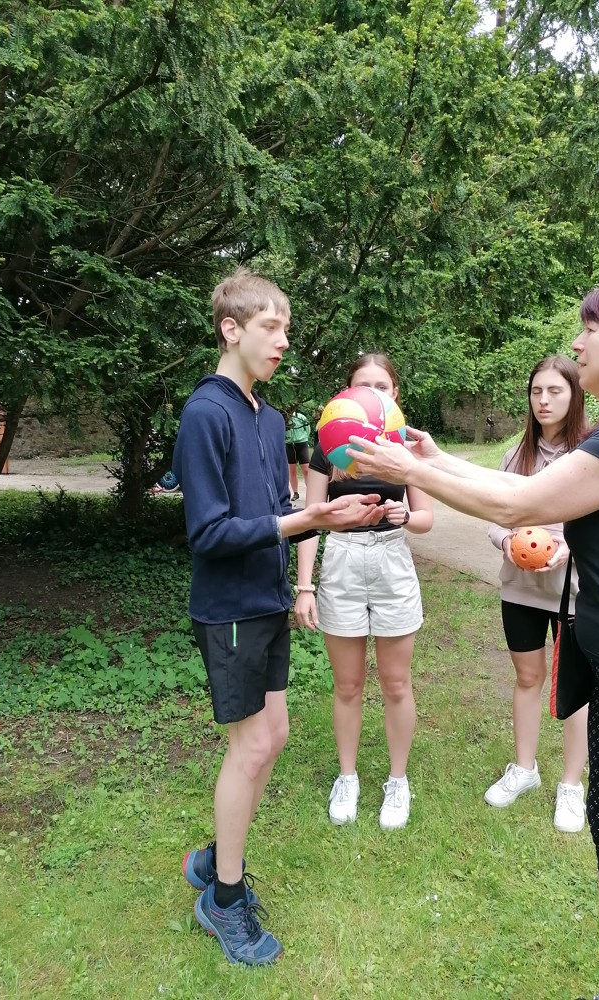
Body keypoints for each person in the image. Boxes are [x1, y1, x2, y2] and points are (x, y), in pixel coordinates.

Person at [347, 277, 599, 1000]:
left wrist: (409, 469)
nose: (578, 343)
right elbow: (522, 489)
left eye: (592, 328)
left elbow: (518, 503)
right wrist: (434, 457)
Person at [171, 269, 384, 967]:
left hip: (266, 602)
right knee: (252, 747)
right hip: (228, 609)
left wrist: (328, 519)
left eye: (286, 328)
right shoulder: (205, 414)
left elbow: (280, 514)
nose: (283, 340)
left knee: (277, 734)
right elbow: (208, 532)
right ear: (230, 330)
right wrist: (304, 518)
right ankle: (224, 898)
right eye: (271, 327)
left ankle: (215, 860)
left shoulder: (267, 418)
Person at [294, 354, 433, 831]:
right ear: (348, 394)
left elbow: (426, 518)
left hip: (393, 562)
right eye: (363, 385)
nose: (373, 393)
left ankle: (398, 780)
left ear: (395, 393)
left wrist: (406, 516)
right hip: (343, 563)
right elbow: (309, 520)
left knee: (396, 683)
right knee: (348, 685)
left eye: (382, 386)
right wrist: (305, 586)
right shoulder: (328, 445)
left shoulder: (405, 448)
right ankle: (348, 777)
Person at [484, 356, 589, 834]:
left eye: (555, 391)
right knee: (527, 678)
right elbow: (494, 518)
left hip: (574, 592)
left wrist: (571, 547)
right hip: (520, 590)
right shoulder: (515, 456)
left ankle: (571, 784)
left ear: (575, 395)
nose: (543, 401)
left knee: (574, 688)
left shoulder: (590, 455)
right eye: (536, 391)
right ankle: (524, 769)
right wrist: (507, 541)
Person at [285, 410, 311, 500]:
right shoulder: (284, 418)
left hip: (302, 443)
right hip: (289, 444)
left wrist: (304, 438)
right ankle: (295, 493)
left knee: (306, 469)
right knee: (292, 470)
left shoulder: (301, 417)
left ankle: (310, 492)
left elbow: (308, 429)